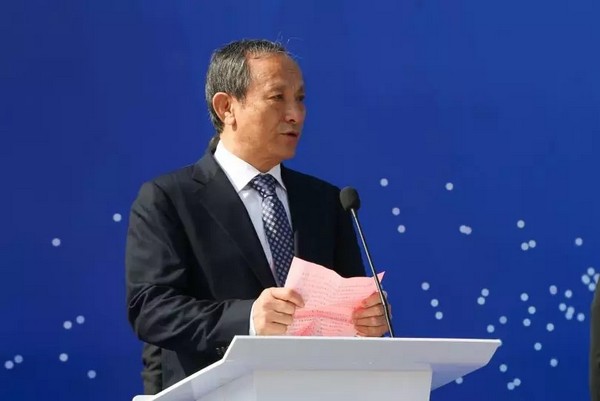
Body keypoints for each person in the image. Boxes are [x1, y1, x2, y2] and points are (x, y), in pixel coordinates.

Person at [125, 39, 392, 393]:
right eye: (277, 97)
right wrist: (249, 318)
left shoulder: (328, 202)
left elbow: (347, 302)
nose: (295, 114)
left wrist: (366, 319)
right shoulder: (169, 199)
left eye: (300, 98)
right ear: (226, 107)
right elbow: (151, 310)